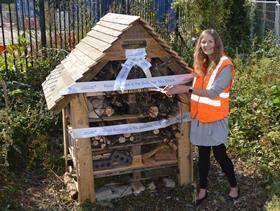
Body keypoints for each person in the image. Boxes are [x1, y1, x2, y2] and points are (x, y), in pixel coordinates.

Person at [163, 29, 239, 205]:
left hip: (216, 118)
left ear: (217, 43)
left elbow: (213, 93)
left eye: (210, 42)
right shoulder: (202, 63)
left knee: (220, 155)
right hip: (200, 117)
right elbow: (194, 80)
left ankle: (234, 187)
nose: (206, 45)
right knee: (203, 155)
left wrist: (183, 89)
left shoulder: (225, 65)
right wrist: (176, 84)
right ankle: (202, 190)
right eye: (203, 42)